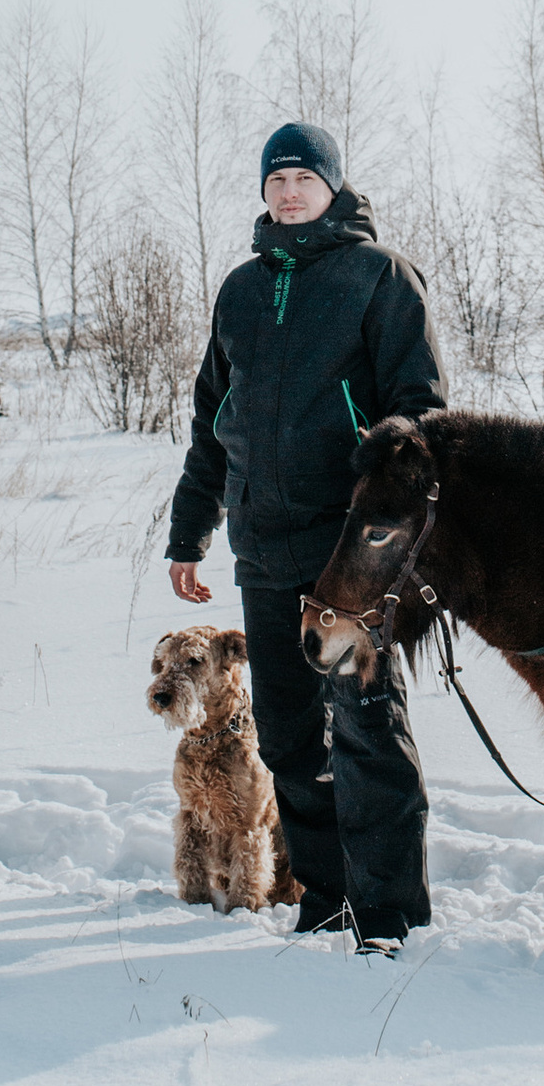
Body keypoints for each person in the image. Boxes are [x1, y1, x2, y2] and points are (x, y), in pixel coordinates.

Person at [165, 122, 446, 947]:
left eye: (305, 177)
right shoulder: (242, 290)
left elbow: (420, 412)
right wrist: (191, 530)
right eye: (276, 178)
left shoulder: (378, 277)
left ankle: (390, 910)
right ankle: (323, 899)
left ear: (333, 186)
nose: (290, 191)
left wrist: (389, 531)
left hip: (346, 561)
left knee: (363, 728)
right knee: (288, 739)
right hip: (262, 547)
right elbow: (212, 422)